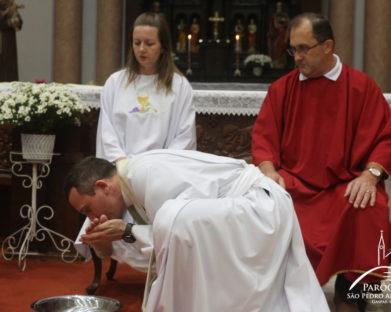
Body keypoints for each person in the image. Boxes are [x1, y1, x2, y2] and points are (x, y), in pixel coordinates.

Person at [64, 149, 330, 312]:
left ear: (104, 186)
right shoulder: (129, 191)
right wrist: (107, 238)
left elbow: (170, 237)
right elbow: (149, 247)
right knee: (172, 222)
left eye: (88, 209)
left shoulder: (144, 174)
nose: (91, 217)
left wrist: (128, 231)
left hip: (259, 207)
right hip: (243, 210)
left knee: (172, 218)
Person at [251, 12, 391, 311]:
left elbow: (384, 136)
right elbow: (264, 138)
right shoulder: (282, 89)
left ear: (328, 46)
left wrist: (370, 175)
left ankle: (350, 294)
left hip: (345, 185)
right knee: (262, 204)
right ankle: (281, 294)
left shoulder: (361, 87)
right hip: (296, 185)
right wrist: (268, 170)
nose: (296, 57)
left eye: (304, 48)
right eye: (293, 49)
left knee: (370, 206)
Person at [75, 12, 196, 268]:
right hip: (121, 174)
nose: (142, 49)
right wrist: (123, 170)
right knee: (107, 204)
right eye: (136, 42)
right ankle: (110, 250)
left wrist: (154, 171)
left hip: (162, 175)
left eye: (149, 43)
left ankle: (163, 263)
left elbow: (183, 138)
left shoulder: (179, 86)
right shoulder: (116, 83)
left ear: (163, 46)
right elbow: (107, 133)